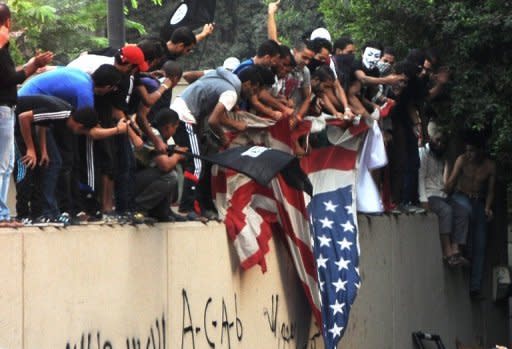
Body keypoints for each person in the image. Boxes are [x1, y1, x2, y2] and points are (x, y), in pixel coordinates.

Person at [16, 95, 128, 224]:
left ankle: (42, 212)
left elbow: (43, 124)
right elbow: (23, 117)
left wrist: (43, 150)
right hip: (15, 120)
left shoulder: (67, 113)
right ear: (79, 125)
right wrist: (30, 148)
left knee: (52, 163)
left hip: (27, 125)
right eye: (81, 131)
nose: (77, 133)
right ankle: (22, 213)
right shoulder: (62, 112)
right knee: (23, 166)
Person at [170, 66, 262, 219]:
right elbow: (214, 120)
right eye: (253, 89)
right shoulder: (231, 92)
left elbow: (190, 75)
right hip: (186, 117)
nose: (253, 94)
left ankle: (196, 205)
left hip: (183, 111)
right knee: (196, 163)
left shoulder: (219, 75)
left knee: (198, 162)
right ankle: (187, 207)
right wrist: (234, 126)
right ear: (247, 83)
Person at [0, 2, 53, 227]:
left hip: (5, 109)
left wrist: (29, 66)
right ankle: (1, 215)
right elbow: (10, 79)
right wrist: (33, 66)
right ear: (8, 22)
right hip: (3, 109)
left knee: (8, 163)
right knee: (4, 164)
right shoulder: (1, 45)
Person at [445, 135, 496, 300]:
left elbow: (490, 191)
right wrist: (447, 187)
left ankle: (475, 287)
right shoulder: (462, 160)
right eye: (467, 150)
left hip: (478, 201)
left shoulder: (489, 166)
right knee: (466, 210)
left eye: (472, 151)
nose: (469, 154)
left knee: (481, 242)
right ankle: (462, 251)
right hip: (461, 196)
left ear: (480, 151)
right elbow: (451, 181)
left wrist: (488, 207)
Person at [418, 122, 469, 266]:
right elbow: (420, 177)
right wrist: (423, 200)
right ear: (430, 139)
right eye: (437, 140)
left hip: (442, 195)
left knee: (462, 212)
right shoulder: (423, 154)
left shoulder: (442, 158)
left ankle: (455, 248)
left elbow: (446, 186)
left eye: (443, 141)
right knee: (447, 211)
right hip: (429, 196)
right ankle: (447, 252)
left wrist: (447, 166)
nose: (440, 144)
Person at [134, 109, 187, 222]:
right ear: (168, 127)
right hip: (135, 179)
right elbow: (165, 165)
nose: (174, 132)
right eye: (175, 128)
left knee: (171, 171)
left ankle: (162, 212)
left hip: (142, 178)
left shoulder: (158, 134)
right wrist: (177, 156)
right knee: (170, 176)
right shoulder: (155, 135)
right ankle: (139, 208)